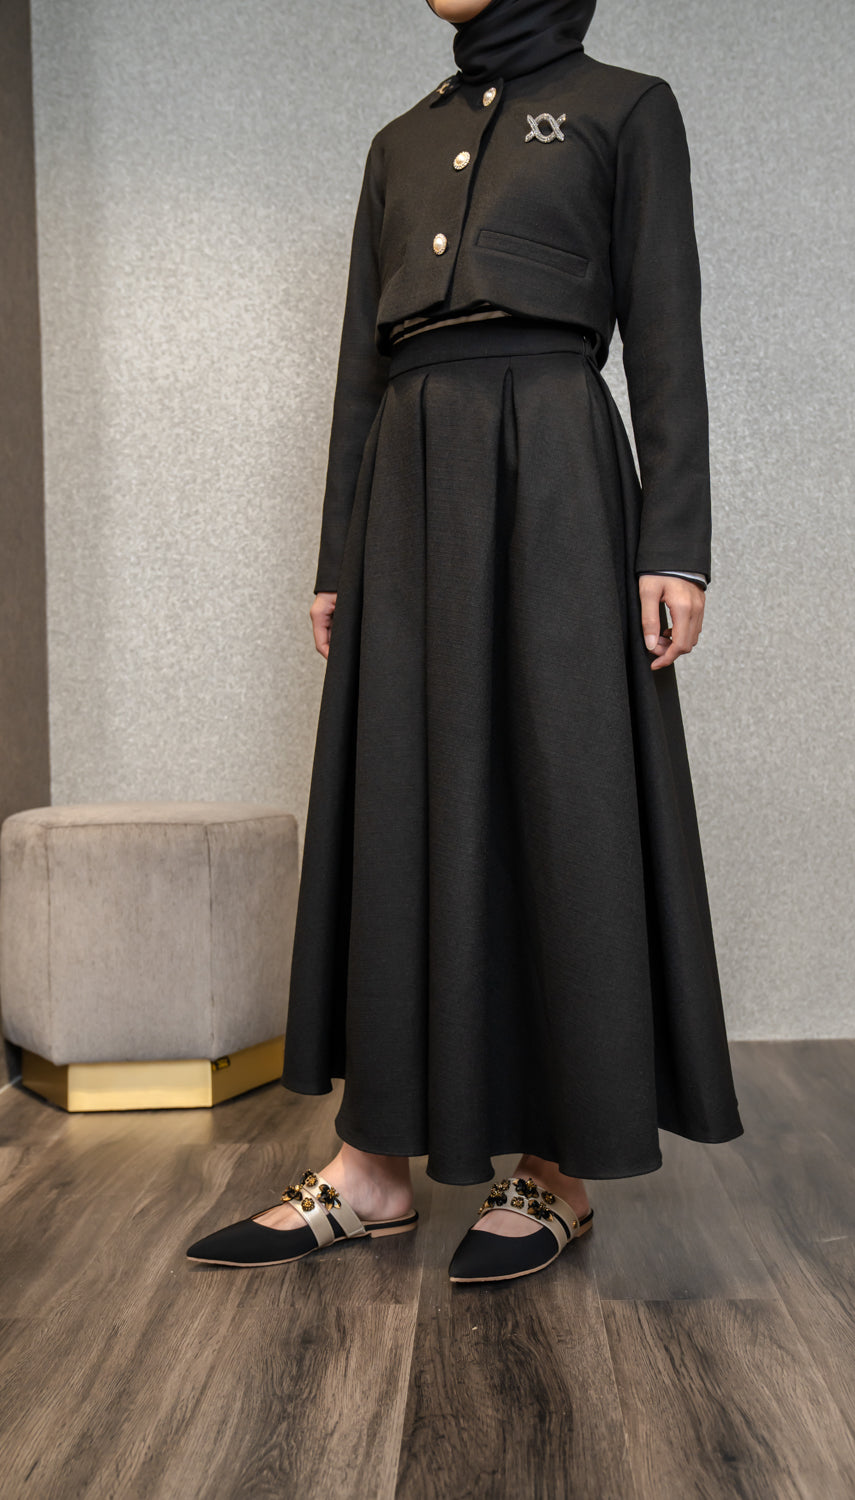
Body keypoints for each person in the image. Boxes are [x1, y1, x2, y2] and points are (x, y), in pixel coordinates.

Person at [187, 0, 744, 1283]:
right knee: (400, 802)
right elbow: (358, 367)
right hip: (408, 482)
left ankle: (556, 1171)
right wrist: (337, 558)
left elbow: (666, 332)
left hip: (553, 469)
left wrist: (675, 543)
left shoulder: (624, 107)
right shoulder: (400, 140)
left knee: (561, 794)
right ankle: (372, 1168)